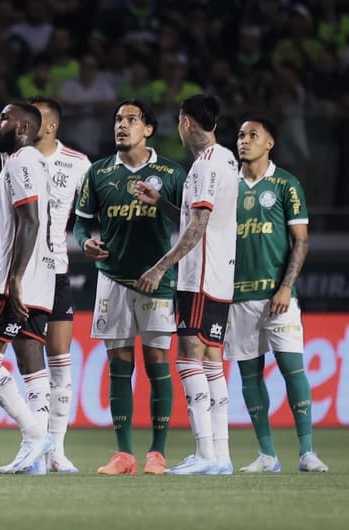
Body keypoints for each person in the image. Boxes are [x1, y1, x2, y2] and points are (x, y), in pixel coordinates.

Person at [0, 26, 91, 473]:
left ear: (26, 128)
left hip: (20, 278)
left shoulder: (24, 160)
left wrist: (13, 278)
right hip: (41, 278)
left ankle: (35, 435)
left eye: (5, 119)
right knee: (30, 360)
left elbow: (29, 220)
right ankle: (39, 449)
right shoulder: (21, 157)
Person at [72, 99, 187, 475]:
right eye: (118, 119)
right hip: (112, 279)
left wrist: (164, 203)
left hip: (158, 280)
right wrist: (85, 242)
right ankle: (124, 454)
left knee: (157, 365)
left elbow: (190, 224)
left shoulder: (170, 172)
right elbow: (80, 223)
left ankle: (157, 452)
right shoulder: (98, 172)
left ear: (148, 129)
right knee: (119, 367)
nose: (122, 125)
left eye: (131, 120)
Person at [135, 94, 238, 475]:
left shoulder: (205, 167)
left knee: (187, 359)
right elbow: (192, 216)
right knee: (212, 362)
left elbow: (198, 227)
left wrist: (161, 267)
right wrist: (162, 202)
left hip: (199, 277)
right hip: (219, 276)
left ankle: (205, 454)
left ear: (186, 123)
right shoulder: (226, 159)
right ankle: (221, 456)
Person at [226, 117, 328, 473]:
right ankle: (267, 455)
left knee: (292, 369)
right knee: (249, 376)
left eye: (253, 135)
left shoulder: (286, 184)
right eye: (240, 135)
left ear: (269, 143)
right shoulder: (227, 185)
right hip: (237, 297)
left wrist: (286, 286)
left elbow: (300, 241)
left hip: (278, 296)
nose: (244, 141)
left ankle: (307, 452)